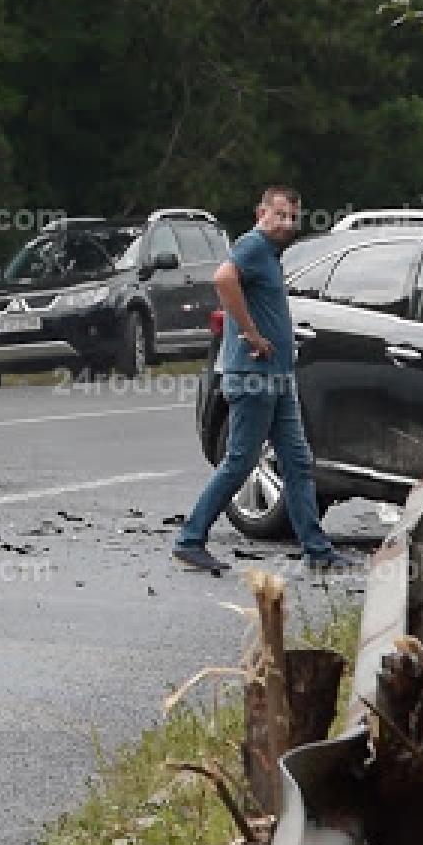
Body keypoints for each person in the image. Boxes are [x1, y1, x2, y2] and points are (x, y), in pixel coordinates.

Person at [173, 186, 358, 574]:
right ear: (262, 214)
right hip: (254, 377)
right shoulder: (253, 246)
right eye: (280, 215)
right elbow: (223, 279)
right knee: (240, 463)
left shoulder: (269, 254)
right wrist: (251, 333)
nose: (287, 224)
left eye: (293, 217)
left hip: (278, 377)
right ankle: (190, 539)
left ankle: (317, 549)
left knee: (297, 462)